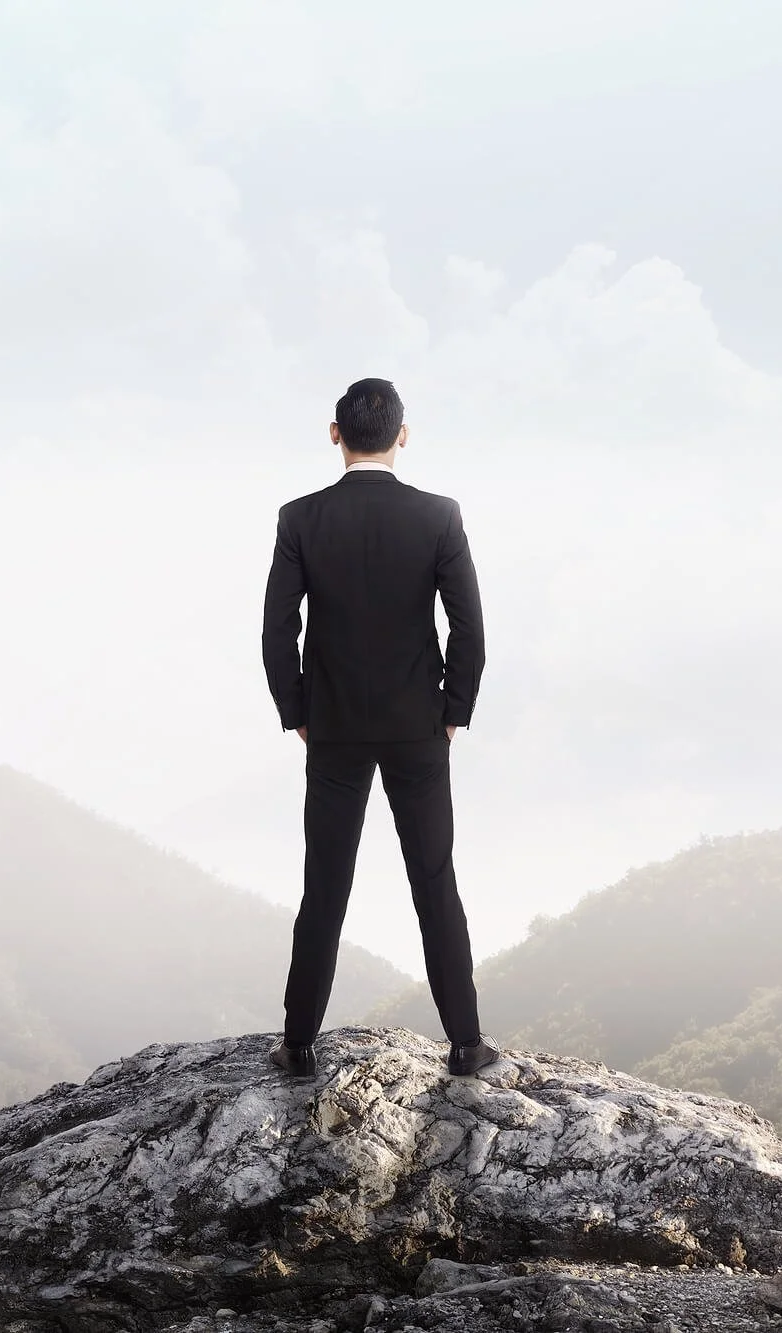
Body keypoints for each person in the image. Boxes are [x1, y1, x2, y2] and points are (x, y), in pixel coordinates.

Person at [260, 378, 500, 1079]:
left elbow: (278, 630)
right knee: (435, 881)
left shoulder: (300, 518)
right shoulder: (439, 516)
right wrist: (453, 711)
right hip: (418, 725)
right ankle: (466, 1044)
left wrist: (298, 712)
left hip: (332, 727)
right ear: (403, 435)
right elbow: (470, 628)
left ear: (335, 433)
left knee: (324, 885)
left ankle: (298, 1045)